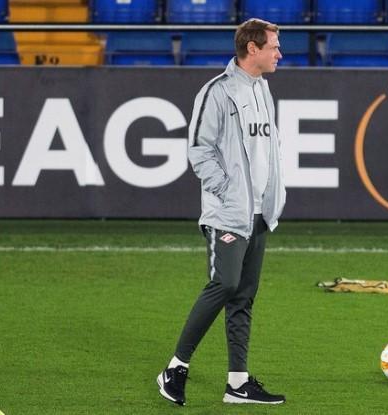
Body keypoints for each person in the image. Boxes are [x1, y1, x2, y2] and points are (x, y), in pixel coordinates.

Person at [157, 18, 286, 406]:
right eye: (274, 47)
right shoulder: (217, 91)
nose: (279, 54)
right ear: (252, 48)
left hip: (259, 212)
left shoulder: (263, 89)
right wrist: (228, 192)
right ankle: (175, 368)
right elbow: (199, 149)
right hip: (229, 213)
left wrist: (270, 198)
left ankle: (238, 383)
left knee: (243, 296)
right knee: (225, 284)